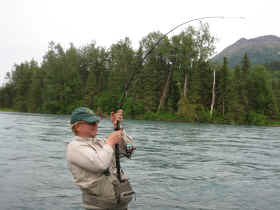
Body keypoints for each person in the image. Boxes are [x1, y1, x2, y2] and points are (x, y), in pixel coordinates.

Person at [66, 107, 135, 210]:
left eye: (96, 122)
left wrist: (118, 127)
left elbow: (129, 150)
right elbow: (101, 165)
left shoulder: (101, 143)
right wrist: (110, 142)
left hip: (120, 205)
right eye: (91, 123)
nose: (96, 125)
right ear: (78, 126)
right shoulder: (74, 147)